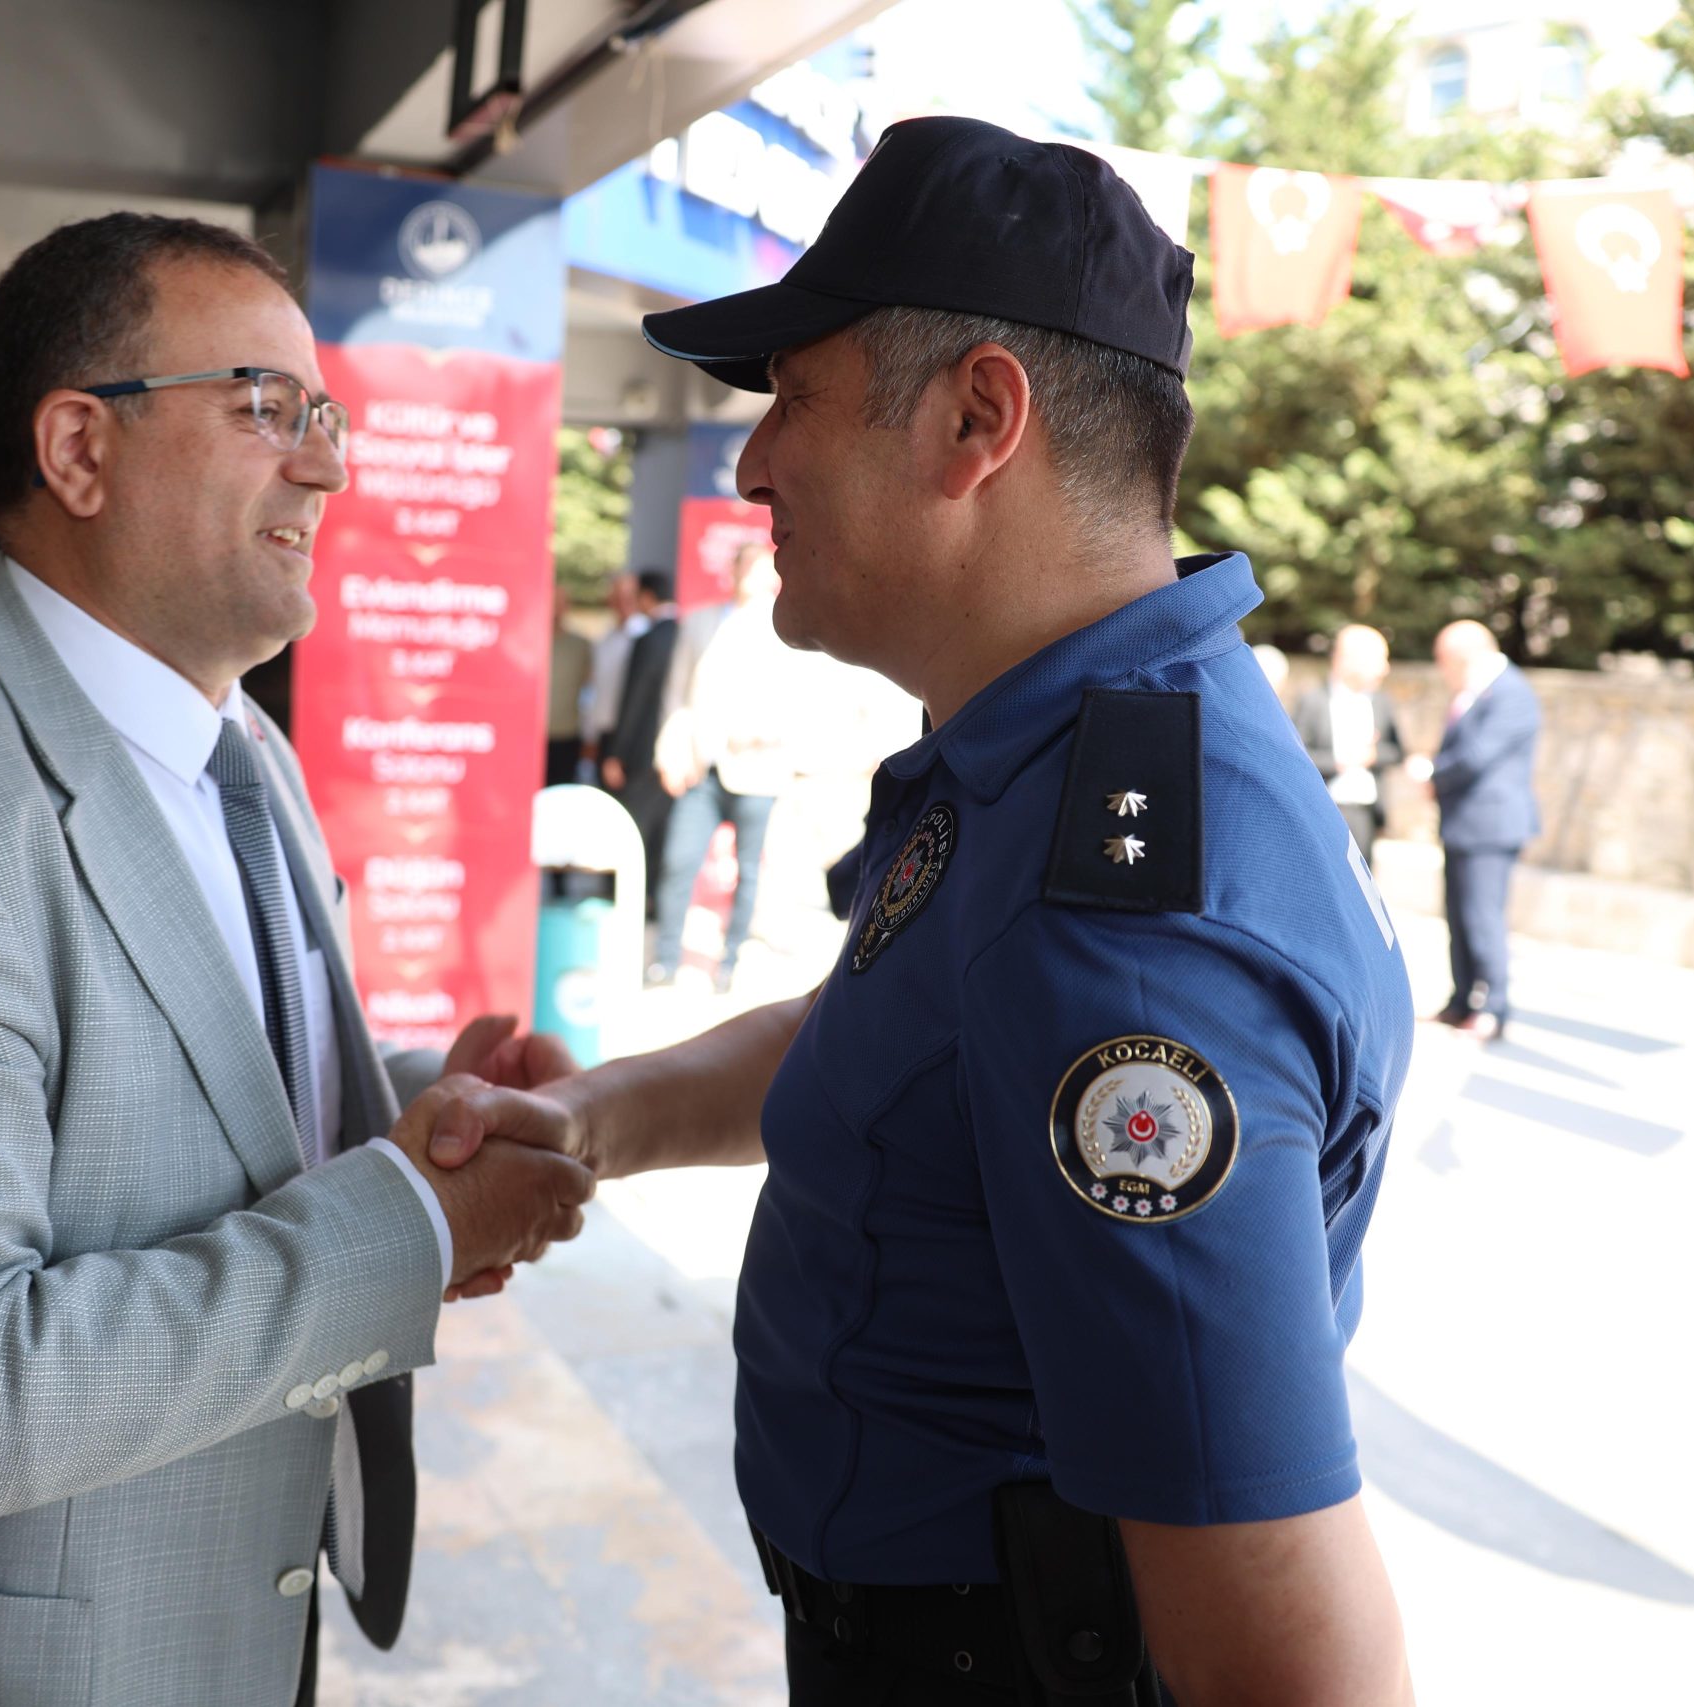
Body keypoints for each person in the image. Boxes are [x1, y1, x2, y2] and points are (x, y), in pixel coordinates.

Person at [449, 117, 1418, 1704]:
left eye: (795, 396)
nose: (752, 461)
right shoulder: (1051, 752)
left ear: (977, 418)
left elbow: (1290, 1663)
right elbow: (886, 1035)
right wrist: (587, 1123)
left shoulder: (1131, 927)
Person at [0, 212, 595, 1707]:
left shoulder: (244, 750)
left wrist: (423, 1098)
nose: (328, 468)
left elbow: (204, 1083)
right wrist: (413, 1219)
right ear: (79, 449)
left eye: (328, 417)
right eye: (268, 407)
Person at [647, 544, 802, 989]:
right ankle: (665, 959)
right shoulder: (700, 622)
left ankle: (730, 960)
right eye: (745, 567)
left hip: (758, 769)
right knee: (679, 861)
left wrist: (766, 734)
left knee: (748, 871)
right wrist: (670, 752)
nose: (751, 576)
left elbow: (799, 697)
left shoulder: (786, 626)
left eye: (759, 569)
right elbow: (676, 694)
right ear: (732, 572)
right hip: (703, 768)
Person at [1411, 619, 1541, 1042]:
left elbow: (1478, 755)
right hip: (1463, 824)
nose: (1441, 669)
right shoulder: (1477, 691)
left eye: (1443, 660)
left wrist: (1433, 775)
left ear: (1462, 656)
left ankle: (1494, 1008)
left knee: (1483, 918)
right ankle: (1462, 1001)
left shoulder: (1511, 692)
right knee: (1458, 918)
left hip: (1491, 826)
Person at [600, 568, 681, 897]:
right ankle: (652, 899)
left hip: (639, 751)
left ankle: (624, 896)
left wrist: (616, 753)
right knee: (662, 830)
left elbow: (634, 699)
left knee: (631, 827)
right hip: (674, 751)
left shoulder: (648, 639)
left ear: (647, 597)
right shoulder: (684, 633)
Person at [1293, 624, 1406, 855]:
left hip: (1366, 813)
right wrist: (1339, 762)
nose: (1385, 669)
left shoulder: (1381, 702)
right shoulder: (1313, 701)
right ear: (1347, 659)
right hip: (1325, 810)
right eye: (1378, 660)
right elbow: (1296, 757)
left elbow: (1397, 751)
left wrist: (1372, 755)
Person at [578, 567, 645, 771]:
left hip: (635, 736)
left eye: (628, 596)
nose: (622, 602)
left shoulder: (647, 637)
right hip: (605, 733)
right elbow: (596, 690)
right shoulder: (606, 639)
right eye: (617, 596)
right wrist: (590, 735)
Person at [544, 584, 594, 786]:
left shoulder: (580, 645)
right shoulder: (529, 641)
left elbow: (591, 690)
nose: (556, 608)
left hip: (566, 736)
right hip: (531, 737)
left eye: (560, 603)